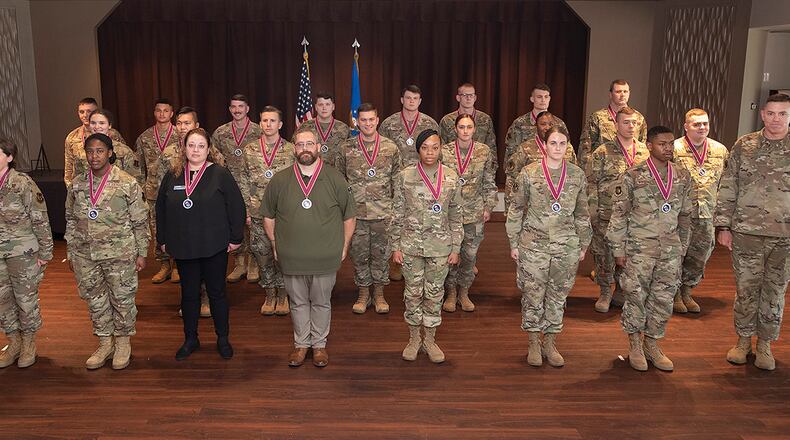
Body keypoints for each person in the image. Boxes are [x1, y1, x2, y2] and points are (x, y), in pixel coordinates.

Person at [262, 128, 355, 368]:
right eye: (300, 144)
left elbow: (349, 216)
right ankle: (301, 344)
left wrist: (344, 244)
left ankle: (320, 346)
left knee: (322, 301)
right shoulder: (280, 180)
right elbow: (268, 216)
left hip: (325, 255)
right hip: (292, 255)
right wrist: (275, 243)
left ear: (318, 147)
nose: (305, 148)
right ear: (294, 148)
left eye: (310, 143)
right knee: (298, 302)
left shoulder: (335, 178)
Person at [607, 125, 692, 372]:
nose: (668, 148)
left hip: (670, 251)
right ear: (649, 145)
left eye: (671, 143)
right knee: (636, 296)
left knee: (663, 298)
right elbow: (619, 215)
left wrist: (682, 246)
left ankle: (652, 343)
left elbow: (686, 215)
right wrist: (618, 249)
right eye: (662, 144)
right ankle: (634, 343)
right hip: (639, 249)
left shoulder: (682, 176)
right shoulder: (633, 176)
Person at [156, 128, 246, 361]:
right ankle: (190, 338)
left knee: (217, 293)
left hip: (213, 245)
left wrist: (236, 238)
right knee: (189, 295)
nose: (195, 150)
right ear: (184, 148)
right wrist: (163, 240)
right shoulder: (173, 175)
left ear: (209, 150)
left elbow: (236, 206)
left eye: (200, 146)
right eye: (191, 145)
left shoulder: (220, 174)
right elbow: (161, 210)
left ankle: (223, 338)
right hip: (184, 247)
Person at [715, 93, 790, 371]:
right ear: (762, 114)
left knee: (775, 291)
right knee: (746, 289)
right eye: (771, 113)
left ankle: (765, 345)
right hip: (746, 231)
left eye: (783, 114)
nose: (776, 119)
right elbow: (728, 185)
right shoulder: (744, 146)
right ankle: (743, 341)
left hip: (784, 236)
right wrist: (723, 225)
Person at [505, 126, 591, 367]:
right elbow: (516, 209)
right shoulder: (528, 173)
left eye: (562, 143)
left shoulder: (576, 175)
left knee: (557, 295)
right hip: (533, 245)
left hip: (566, 246)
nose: (557, 148)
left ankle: (550, 341)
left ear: (568, 147)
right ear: (544, 145)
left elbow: (582, 213)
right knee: (533, 294)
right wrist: (514, 242)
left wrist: (583, 243)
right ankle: (533, 341)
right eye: (553, 143)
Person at [65, 133, 149, 370]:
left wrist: (142, 252)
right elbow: (70, 218)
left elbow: (140, 221)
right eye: (90, 151)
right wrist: (71, 250)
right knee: (95, 299)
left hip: (119, 253)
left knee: (122, 299)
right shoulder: (78, 184)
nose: (94, 156)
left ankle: (123, 343)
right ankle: (104, 342)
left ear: (110, 153)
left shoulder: (127, 183)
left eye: (100, 151)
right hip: (86, 254)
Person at [391, 129, 463, 363]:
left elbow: (455, 214)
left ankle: (430, 340)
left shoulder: (451, 176)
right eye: (425, 147)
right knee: (412, 293)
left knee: (434, 294)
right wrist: (395, 246)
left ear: (441, 148)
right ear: (418, 149)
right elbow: (397, 213)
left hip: (441, 247)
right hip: (411, 246)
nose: (430, 152)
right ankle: (413, 339)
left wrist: (455, 247)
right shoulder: (405, 176)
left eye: (434, 147)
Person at [337, 103, 401, 314]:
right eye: (362, 120)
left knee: (382, 255)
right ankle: (364, 293)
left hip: (383, 213)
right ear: (357, 122)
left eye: (370, 119)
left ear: (377, 120)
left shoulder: (390, 148)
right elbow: (340, 181)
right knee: (359, 255)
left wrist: (396, 211)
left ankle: (380, 294)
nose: (367, 123)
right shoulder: (346, 148)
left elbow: (397, 181)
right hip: (356, 215)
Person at [585, 107, 650, 313]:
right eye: (626, 122)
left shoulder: (645, 152)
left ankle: (621, 291)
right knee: (604, 254)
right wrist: (593, 214)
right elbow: (591, 183)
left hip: (634, 216)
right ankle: (605, 291)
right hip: (607, 214)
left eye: (634, 123)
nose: (631, 126)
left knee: (629, 254)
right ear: (616, 125)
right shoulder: (602, 152)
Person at [163, 106, 222, 318]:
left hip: (205, 223)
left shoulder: (212, 153)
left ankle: (205, 299)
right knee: (187, 275)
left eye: (187, 123)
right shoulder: (169, 152)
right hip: (181, 222)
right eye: (179, 123)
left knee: (208, 269)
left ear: (196, 126)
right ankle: (191, 301)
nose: (182, 127)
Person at [0, 139, 53, 368]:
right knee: (2, 300)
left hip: (23, 252)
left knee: (25, 299)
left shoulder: (22, 183)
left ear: (9, 157)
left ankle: (29, 342)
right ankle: (13, 342)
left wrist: (46, 252)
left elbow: (40, 218)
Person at [379, 85, 439, 281]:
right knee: (397, 219)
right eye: (408, 98)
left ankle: (419, 257)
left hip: (423, 182)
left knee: (418, 220)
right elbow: (382, 152)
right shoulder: (389, 123)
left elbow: (438, 152)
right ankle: (395, 261)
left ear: (420, 101)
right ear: (401, 99)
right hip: (396, 180)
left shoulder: (429, 122)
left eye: (415, 98)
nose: (411, 101)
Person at [239, 105, 295, 316]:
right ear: (260, 123)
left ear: (280, 124)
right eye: (264, 121)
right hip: (257, 213)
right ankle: (269, 292)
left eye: (272, 121)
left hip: (284, 215)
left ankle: (283, 294)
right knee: (262, 253)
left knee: (283, 254)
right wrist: (246, 208)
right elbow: (244, 180)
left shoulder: (291, 150)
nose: (268, 124)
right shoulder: (250, 150)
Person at [671, 108, 728, 313]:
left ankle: (687, 290)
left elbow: (726, 183)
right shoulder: (674, 149)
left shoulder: (720, 150)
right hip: (680, 215)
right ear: (686, 126)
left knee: (699, 255)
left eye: (705, 123)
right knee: (677, 255)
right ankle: (674, 293)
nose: (702, 127)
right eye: (696, 124)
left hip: (706, 215)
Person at [440, 114, 497, 313]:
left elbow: (489, 181)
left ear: (474, 129)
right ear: (455, 129)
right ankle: (451, 292)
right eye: (461, 127)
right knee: (450, 254)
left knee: (469, 256)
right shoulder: (444, 151)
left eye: (469, 127)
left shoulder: (483, 151)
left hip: (474, 213)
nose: (465, 131)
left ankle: (464, 291)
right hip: (450, 214)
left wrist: (489, 206)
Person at [211, 94, 262, 284]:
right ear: (230, 109)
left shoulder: (258, 131)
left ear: (247, 108)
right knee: (233, 224)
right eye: (234, 106)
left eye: (241, 106)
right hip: (228, 186)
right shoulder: (221, 132)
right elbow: (214, 159)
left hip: (253, 186)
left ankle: (254, 263)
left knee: (254, 225)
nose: (237, 110)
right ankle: (239, 262)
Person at [135, 98, 181, 284]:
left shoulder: (180, 135)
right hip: (153, 191)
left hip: (176, 190)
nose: (162, 114)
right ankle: (164, 265)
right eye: (158, 110)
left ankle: (178, 264)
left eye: (166, 111)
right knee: (157, 228)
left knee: (178, 226)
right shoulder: (144, 137)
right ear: (154, 113)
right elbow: (139, 168)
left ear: (172, 114)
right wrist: (141, 191)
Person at [504, 111, 577, 211]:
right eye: (543, 124)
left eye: (551, 124)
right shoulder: (525, 149)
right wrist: (510, 208)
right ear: (536, 127)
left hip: (562, 208)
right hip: (533, 210)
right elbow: (512, 179)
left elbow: (575, 176)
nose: (547, 127)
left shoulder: (567, 148)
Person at [578, 79, 647, 169]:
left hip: (634, 169)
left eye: (625, 91)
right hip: (605, 168)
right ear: (610, 94)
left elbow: (643, 144)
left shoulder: (639, 118)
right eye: (618, 91)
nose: (622, 95)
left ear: (629, 93)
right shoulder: (598, 117)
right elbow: (586, 147)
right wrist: (586, 171)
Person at [64, 97, 125, 188]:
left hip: (112, 188)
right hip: (85, 189)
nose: (85, 115)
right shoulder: (72, 137)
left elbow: (125, 161)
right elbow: (69, 168)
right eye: (81, 112)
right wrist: (72, 190)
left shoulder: (114, 134)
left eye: (89, 111)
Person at [439, 83, 498, 174]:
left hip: (478, 173)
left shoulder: (485, 120)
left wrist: (490, 173)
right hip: (453, 171)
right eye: (465, 95)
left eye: (471, 95)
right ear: (458, 98)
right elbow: (441, 149)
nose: (468, 98)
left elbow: (492, 149)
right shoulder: (447, 120)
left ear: (475, 98)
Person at [504, 83, 568, 165]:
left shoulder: (559, 123)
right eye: (539, 97)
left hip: (555, 172)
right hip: (528, 173)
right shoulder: (519, 123)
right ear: (532, 99)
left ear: (549, 99)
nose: (543, 100)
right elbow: (511, 153)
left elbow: (567, 150)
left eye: (546, 97)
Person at [294, 92, 351, 167]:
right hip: (311, 172)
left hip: (337, 174)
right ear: (316, 107)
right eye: (321, 105)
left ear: (333, 107)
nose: (324, 108)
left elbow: (349, 153)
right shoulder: (304, 127)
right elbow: (295, 149)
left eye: (327, 104)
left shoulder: (343, 128)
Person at [88, 109, 141, 185]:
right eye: (93, 123)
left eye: (102, 123)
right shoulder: (81, 151)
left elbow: (136, 180)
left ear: (109, 125)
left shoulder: (123, 150)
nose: (97, 127)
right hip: (88, 193)